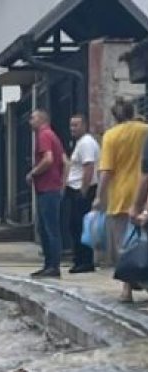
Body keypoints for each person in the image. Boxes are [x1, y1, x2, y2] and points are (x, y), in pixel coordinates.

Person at [94, 98, 148, 303]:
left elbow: (106, 170)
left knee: (124, 245)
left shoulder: (111, 136)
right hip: (144, 193)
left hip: (121, 196)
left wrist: (99, 196)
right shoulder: (145, 130)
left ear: (114, 116)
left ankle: (127, 290)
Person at [27, 109, 66, 278]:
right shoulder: (53, 136)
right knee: (47, 227)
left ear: (42, 119)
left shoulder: (44, 135)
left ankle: (52, 265)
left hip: (47, 188)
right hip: (52, 187)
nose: (30, 121)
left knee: (49, 228)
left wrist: (33, 173)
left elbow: (49, 159)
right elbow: (64, 161)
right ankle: (50, 264)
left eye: (33, 118)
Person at [63, 113, 100, 273]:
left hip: (82, 190)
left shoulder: (86, 143)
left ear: (84, 125)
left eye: (76, 125)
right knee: (75, 226)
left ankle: (85, 261)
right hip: (76, 189)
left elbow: (88, 167)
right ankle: (79, 259)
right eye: (71, 125)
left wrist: (83, 191)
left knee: (80, 226)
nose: (72, 128)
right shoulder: (80, 143)